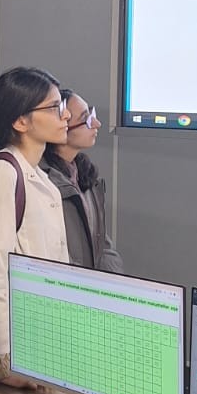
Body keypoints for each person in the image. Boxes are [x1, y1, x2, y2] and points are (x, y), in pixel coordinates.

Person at [0, 68, 71, 387]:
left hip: (42, 338)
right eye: (54, 107)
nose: (65, 115)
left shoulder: (37, 175)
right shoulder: (1, 176)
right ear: (21, 121)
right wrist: (3, 361)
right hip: (11, 349)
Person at [42, 90, 125, 273]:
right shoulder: (42, 184)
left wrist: (114, 282)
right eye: (86, 119)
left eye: (91, 114)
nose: (97, 123)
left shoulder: (87, 176)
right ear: (60, 126)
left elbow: (102, 245)